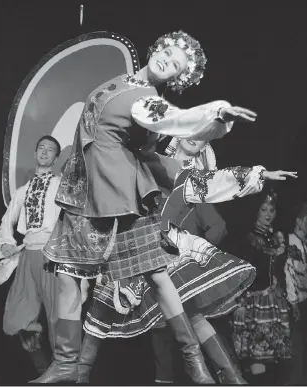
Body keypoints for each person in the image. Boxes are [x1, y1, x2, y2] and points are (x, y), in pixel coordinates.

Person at [35, 30, 263, 384]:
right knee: (68, 276)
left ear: (178, 78)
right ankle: (65, 362)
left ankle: (192, 359)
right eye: (167, 53)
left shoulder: (144, 98)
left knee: (157, 275)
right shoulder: (121, 82)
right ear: (156, 48)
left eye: (175, 65)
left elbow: (170, 120)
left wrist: (213, 115)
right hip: (84, 193)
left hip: (119, 197)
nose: (166, 61)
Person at [150, 138, 234, 384]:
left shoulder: (191, 193)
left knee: (196, 323)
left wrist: (195, 253)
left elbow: (218, 227)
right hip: (155, 273)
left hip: (182, 272)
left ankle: (232, 378)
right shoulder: (151, 194)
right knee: (159, 338)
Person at [0, 135, 64, 378]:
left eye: (50, 150)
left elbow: (72, 221)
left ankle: (64, 374)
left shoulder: (63, 186)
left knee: (57, 317)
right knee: (17, 317)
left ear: (56, 157)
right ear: (35, 152)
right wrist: (6, 244)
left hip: (52, 257)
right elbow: (5, 224)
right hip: (28, 257)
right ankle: (42, 370)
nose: (45, 152)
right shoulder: (22, 191)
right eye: (41, 148)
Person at [231, 190, 292, 382]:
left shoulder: (274, 238)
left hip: (273, 302)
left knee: (272, 360)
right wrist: (240, 302)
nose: (268, 214)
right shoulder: (247, 240)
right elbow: (240, 273)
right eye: (263, 209)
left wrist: (278, 284)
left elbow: (278, 270)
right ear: (255, 212)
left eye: (271, 210)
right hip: (253, 303)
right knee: (256, 361)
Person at [284, 202, 307, 384]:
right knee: (298, 349)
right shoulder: (292, 242)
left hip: (304, 299)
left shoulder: (303, 243)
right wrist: (293, 303)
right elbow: (290, 274)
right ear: (299, 220)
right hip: (298, 302)